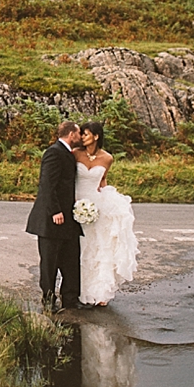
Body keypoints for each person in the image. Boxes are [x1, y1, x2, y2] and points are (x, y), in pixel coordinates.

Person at [73, 121, 139, 306]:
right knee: (80, 247)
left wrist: (106, 197)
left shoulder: (107, 158)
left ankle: (99, 291)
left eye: (85, 134)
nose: (82, 137)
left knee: (99, 246)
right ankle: (76, 289)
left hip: (96, 205)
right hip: (76, 202)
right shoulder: (75, 154)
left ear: (96, 136)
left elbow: (102, 179)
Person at [25, 120, 85, 311]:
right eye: (78, 133)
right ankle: (48, 300)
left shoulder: (67, 153)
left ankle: (70, 299)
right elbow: (47, 184)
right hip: (52, 218)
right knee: (50, 262)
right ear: (70, 134)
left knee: (71, 258)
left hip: (68, 218)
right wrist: (55, 210)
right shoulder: (54, 152)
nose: (81, 136)